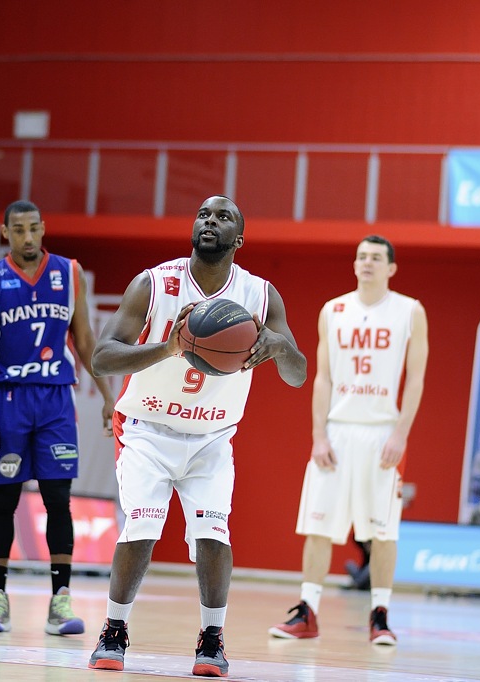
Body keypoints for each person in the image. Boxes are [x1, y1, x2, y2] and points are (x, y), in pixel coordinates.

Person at [86, 195, 307, 675]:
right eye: (204, 214)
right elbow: (102, 356)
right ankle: (114, 629)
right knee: (142, 525)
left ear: (239, 238)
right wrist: (167, 347)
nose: (210, 221)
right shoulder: (154, 283)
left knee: (213, 531)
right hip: (146, 429)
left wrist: (277, 347)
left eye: (223, 216)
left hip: (211, 436)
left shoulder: (261, 295)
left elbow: (298, 374)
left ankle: (212, 638)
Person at [269, 235, 428, 647]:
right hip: (337, 430)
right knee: (317, 525)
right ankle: (307, 612)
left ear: (391, 268)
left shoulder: (410, 311)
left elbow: (415, 380)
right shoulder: (333, 310)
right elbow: (322, 377)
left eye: (376, 258)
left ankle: (381, 615)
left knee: (383, 531)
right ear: (354, 264)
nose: (367, 263)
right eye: (361, 257)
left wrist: (401, 433)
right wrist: (318, 434)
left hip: (382, 433)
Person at [0, 200, 115, 636]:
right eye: (19, 230)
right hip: (8, 399)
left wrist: (108, 394)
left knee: (58, 498)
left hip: (55, 400)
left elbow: (86, 339)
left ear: (43, 227)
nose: (28, 238)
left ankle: (60, 599)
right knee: (4, 501)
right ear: (5, 232)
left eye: (34, 229)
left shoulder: (69, 273)